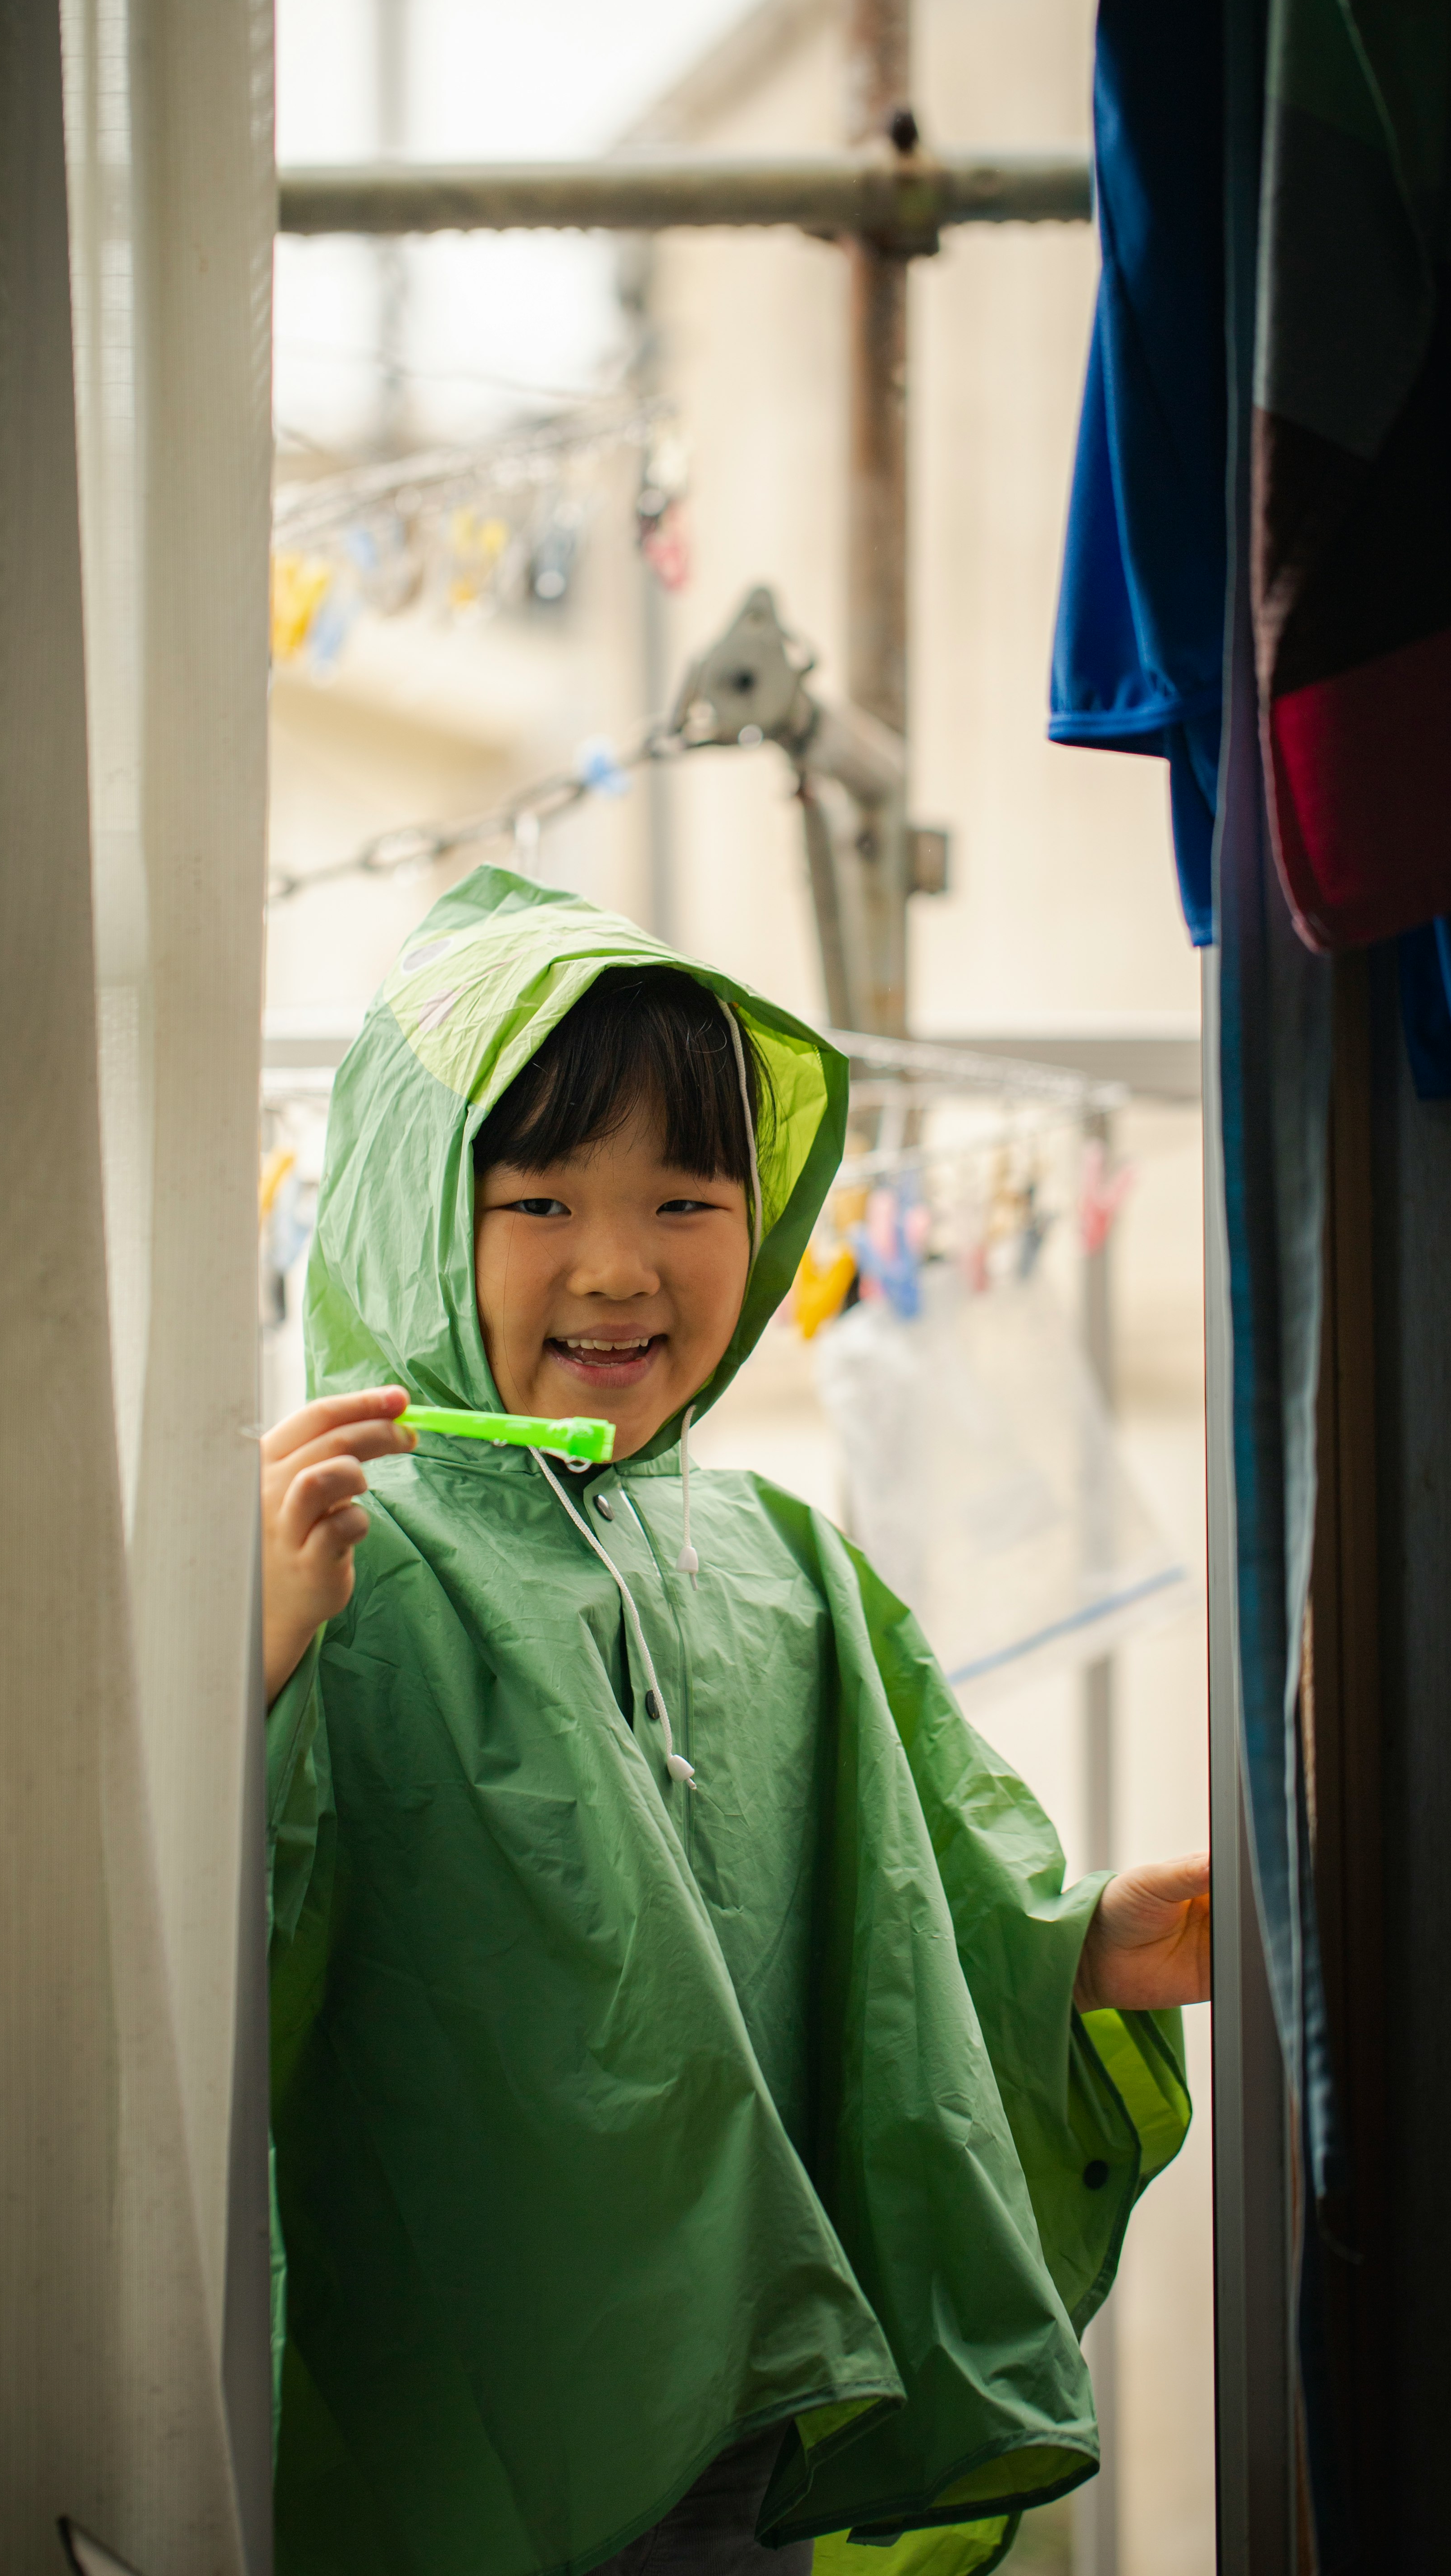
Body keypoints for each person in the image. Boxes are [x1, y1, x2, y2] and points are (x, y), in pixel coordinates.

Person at [262, 868, 1208, 2576]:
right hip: (451, 2427)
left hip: (752, 2410)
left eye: (689, 1198)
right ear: (416, 1213)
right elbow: (189, 1976)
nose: (620, 1268)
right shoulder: (337, 1554)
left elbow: (894, 1923)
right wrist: (246, 1661)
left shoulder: (779, 1563)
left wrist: (1084, 1955)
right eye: (539, 1200)